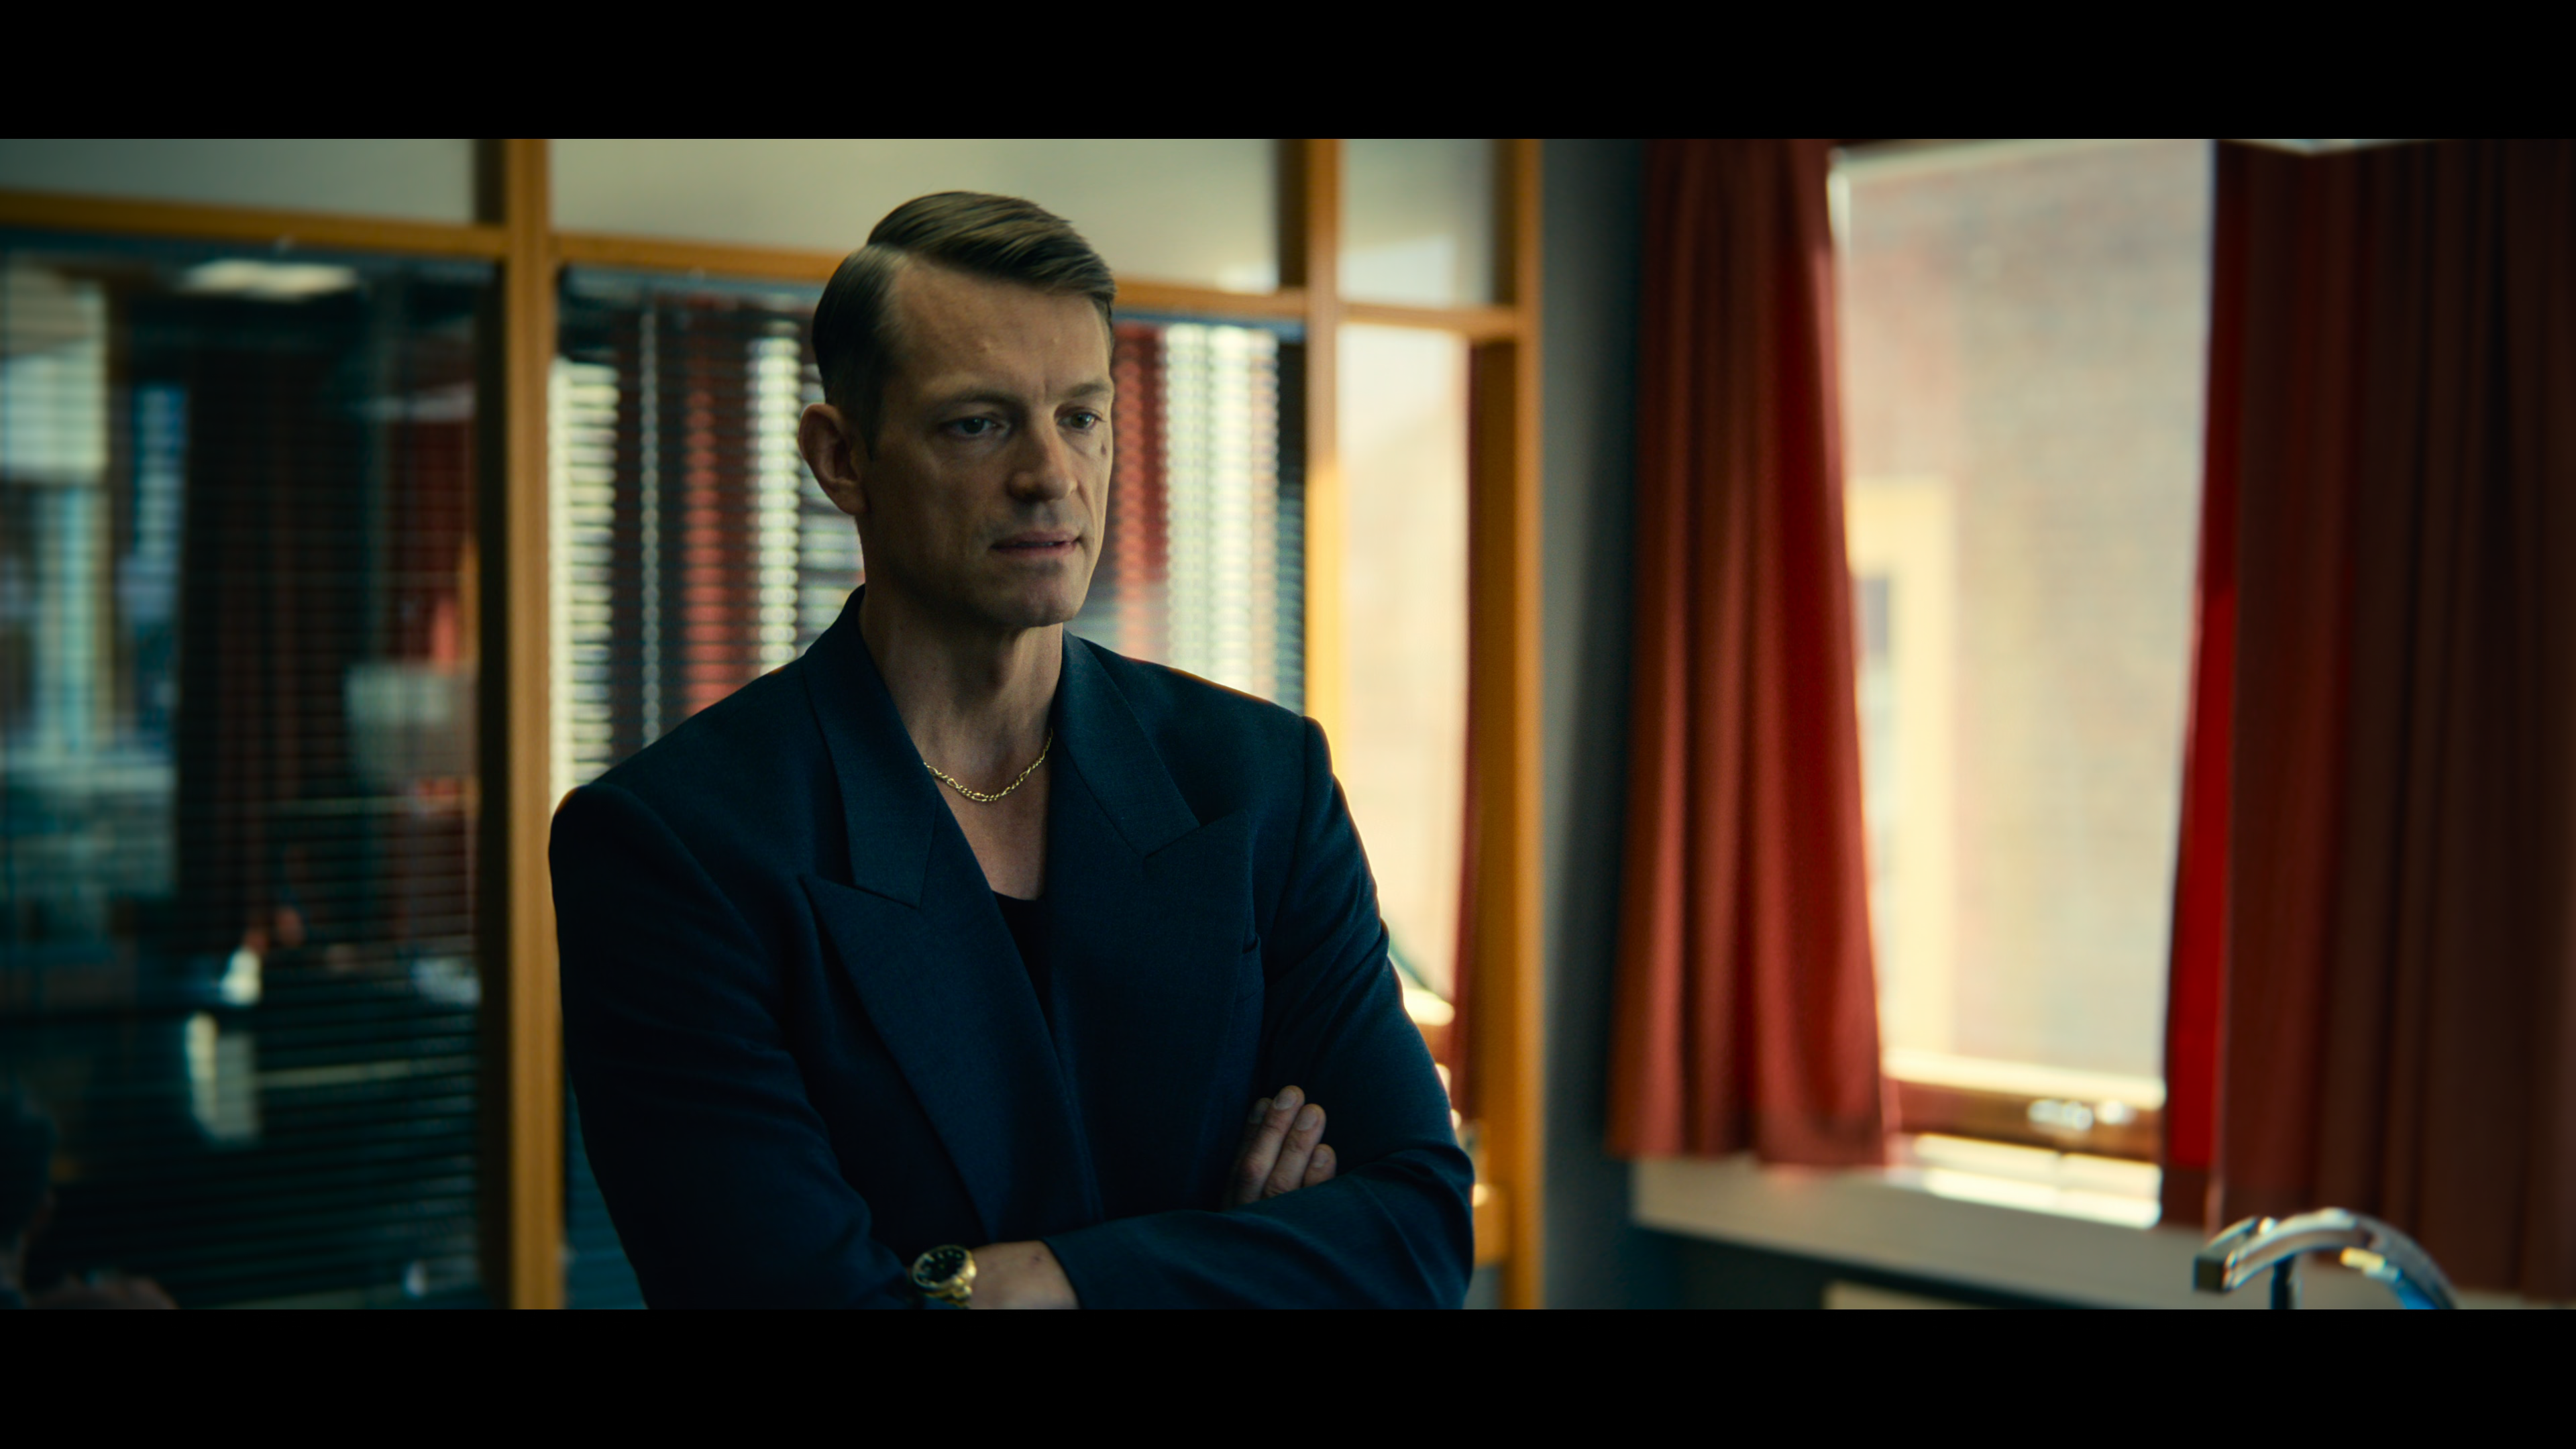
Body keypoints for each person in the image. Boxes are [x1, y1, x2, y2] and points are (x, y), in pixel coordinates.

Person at [552, 193, 1474, 1307]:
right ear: (842, 459)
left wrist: (1049, 1282)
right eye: (978, 425)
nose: (1051, 474)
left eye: (1080, 416)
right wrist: (1239, 1258)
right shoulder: (676, 847)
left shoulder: (1261, 780)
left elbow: (1419, 1228)